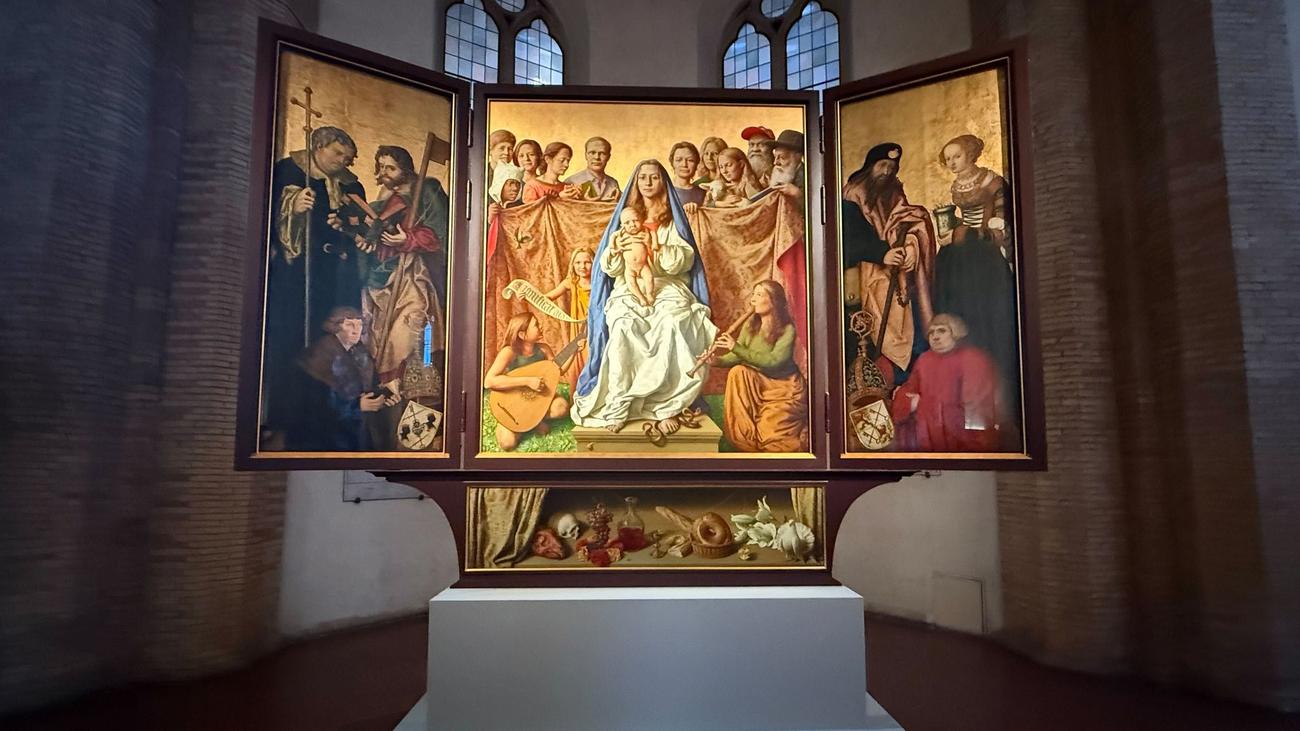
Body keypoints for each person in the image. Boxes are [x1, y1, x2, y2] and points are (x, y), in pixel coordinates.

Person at [572, 160, 717, 438]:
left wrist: (658, 249)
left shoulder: (672, 220)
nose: (648, 183)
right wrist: (616, 251)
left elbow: (684, 262)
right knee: (623, 326)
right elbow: (609, 269)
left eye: (654, 178)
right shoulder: (625, 218)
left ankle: (667, 405)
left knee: (673, 322)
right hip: (628, 286)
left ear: (664, 182)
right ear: (635, 183)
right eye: (643, 178)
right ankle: (620, 404)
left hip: (667, 285)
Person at [265, 126, 366, 442]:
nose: (342, 161)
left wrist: (347, 226)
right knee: (293, 338)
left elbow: (362, 227)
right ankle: (288, 415)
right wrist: (292, 206)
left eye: (348, 158)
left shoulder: (351, 185)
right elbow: (264, 214)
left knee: (333, 342)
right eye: (337, 153)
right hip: (298, 274)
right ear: (318, 146)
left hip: (337, 275)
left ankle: (333, 412)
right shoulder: (288, 171)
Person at [840, 142, 936, 386]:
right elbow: (848, 240)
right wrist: (882, 254)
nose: (887, 172)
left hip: (898, 271)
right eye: (882, 165)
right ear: (870, 166)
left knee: (910, 314)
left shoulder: (894, 193)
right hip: (864, 274)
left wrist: (912, 246)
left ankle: (910, 381)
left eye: (892, 168)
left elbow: (908, 221)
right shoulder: (852, 195)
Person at [933, 134, 1018, 394]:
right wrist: (952, 229)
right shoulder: (957, 185)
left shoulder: (991, 181)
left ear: (970, 154)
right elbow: (962, 219)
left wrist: (971, 232)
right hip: (961, 249)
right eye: (948, 159)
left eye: (957, 156)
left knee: (982, 305)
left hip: (984, 250)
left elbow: (1001, 222)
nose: (952, 162)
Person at [712, 280, 809, 452]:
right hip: (758, 383)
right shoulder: (750, 325)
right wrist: (716, 361)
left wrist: (736, 347)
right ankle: (745, 438)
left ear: (773, 301)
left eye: (759, 295)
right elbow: (737, 356)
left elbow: (774, 361)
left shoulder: (788, 330)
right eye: (753, 294)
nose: (753, 300)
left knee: (770, 437)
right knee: (738, 372)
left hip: (785, 388)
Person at [290, 307, 400, 451]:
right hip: (326, 439)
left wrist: (384, 396)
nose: (356, 330)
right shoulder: (320, 354)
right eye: (349, 324)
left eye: (359, 324)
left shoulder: (360, 352)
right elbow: (315, 404)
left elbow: (366, 389)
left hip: (355, 433)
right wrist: (357, 406)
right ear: (335, 327)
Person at [889, 314, 1002, 452]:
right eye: (931, 332)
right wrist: (908, 402)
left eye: (941, 331)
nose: (935, 337)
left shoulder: (973, 359)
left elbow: (976, 409)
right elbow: (908, 390)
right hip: (928, 434)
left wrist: (924, 404)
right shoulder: (924, 360)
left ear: (955, 332)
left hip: (962, 436)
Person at [483, 312, 571, 451]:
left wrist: (574, 351)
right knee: (507, 443)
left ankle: (532, 421)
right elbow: (489, 381)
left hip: (538, 400)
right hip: (514, 404)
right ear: (522, 334)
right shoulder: (509, 352)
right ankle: (526, 423)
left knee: (561, 407)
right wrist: (527, 381)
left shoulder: (543, 349)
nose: (540, 327)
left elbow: (557, 370)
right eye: (536, 325)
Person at [543, 247, 594, 391]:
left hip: (596, 326)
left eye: (587, 262)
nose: (582, 266)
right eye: (578, 262)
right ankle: (580, 396)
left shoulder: (599, 282)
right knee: (580, 356)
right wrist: (527, 295)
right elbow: (548, 297)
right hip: (580, 329)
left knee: (594, 356)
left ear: (594, 262)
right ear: (573, 264)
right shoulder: (572, 282)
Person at [610, 207, 657, 307]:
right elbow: (613, 235)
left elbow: (653, 232)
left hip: (643, 265)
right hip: (629, 267)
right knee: (631, 283)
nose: (632, 225)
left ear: (641, 220)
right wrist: (612, 246)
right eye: (627, 223)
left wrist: (654, 243)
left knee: (649, 278)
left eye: (635, 220)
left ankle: (649, 294)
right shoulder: (621, 234)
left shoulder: (644, 231)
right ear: (622, 225)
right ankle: (641, 298)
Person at [564, 136, 621, 201]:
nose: (597, 157)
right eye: (592, 153)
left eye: (602, 153)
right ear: (586, 155)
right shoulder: (572, 182)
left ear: (608, 157)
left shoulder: (613, 183)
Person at [769, 129, 806, 206]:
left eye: (782, 158)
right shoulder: (774, 176)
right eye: (775, 157)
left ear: (798, 157)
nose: (775, 163)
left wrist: (798, 195)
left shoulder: (809, 178)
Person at [667, 141, 706, 208]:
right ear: (672, 163)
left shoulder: (703, 193)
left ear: (696, 164)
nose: (684, 164)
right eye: (679, 160)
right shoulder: (665, 191)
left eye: (690, 160)